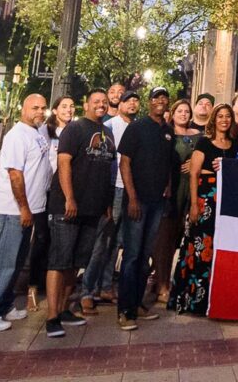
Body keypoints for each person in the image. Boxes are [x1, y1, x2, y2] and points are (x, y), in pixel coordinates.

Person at [0, 93, 51, 333]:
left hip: (28, 211)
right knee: (3, 263)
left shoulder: (36, 132)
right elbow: (15, 174)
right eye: (35, 107)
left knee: (16, 263)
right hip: (12, 211)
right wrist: (24, 208)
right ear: (23, 108)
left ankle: (4, 306)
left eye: (43, 108)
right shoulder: (17, 135)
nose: (40, 111)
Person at [44, 89, 116, 339]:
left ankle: (64, 309)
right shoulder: (75, 129)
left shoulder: (107, 132)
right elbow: (64, 163)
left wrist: (106, 202)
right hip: (67, 207)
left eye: (104, 102)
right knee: (59, 260)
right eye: (96, 101)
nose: (101, 105)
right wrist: (69, 197)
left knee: (75, 262)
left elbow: (107, 169)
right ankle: (52, 316)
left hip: (93, 209)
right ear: (86, 104)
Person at [117, 86, 176, 330]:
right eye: (156, 98)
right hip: (138, 201)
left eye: (164, 98)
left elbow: (168, 162)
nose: (160, 101)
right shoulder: (136, 128)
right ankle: (125, 310)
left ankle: (138, 303)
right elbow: (125, 163)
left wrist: (169, 186)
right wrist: (131, 198)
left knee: (145, 257)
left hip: (157, 202)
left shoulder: (168, 131)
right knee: (132, 255)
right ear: (149, 103)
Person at [171, 103, 237, 314]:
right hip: (205, 200)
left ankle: (217, 298)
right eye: (220, 116)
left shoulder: (236, 144)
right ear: (214, 120)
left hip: (227, 202)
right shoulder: (204, 143)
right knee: (200, 248)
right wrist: (193, 205)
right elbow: (194, 174)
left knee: (221, 248)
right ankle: (194, 299)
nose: (224, 120)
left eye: (228, 116)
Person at [80, 89, 141, 313]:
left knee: (117, 242)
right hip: (113, 188)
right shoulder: (110, 126)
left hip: (130, 190)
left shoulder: (137, 127)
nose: (132, 104)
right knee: (102, 240)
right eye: (128, 100)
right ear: (120, 104)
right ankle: (88, 289)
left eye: (136, 100)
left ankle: (105, 286)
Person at [151, 98, 200, 307]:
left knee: (185, 236)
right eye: (179, 111)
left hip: (192, 190)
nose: (183, 114)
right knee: (165, 240)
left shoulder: (198, 136)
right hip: (172, 189)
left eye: (186, 111)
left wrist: (194, 163)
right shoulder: (166, 133)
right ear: (173, 113)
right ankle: (161, 283)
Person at [46, 95, 76, 173]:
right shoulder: (45, 130)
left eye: (71, 106)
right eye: (64, 107)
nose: (69, 110)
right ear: (55, 111)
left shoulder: (76, 132)